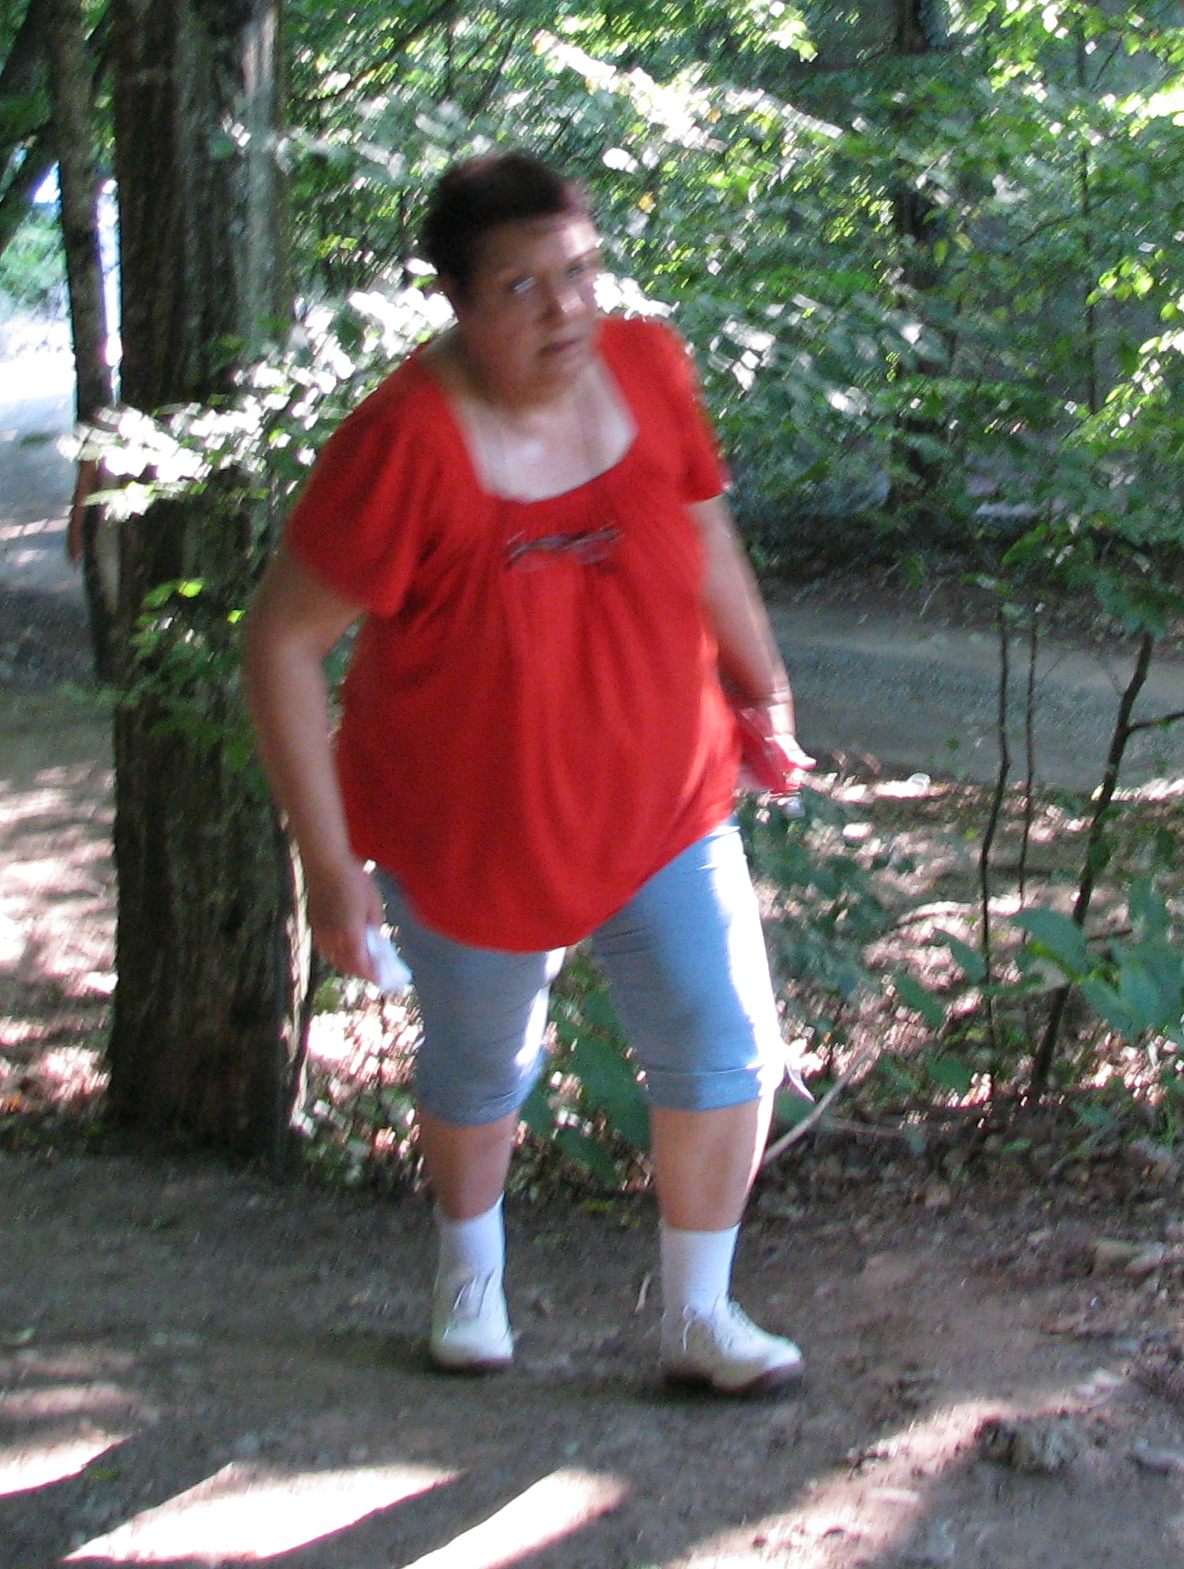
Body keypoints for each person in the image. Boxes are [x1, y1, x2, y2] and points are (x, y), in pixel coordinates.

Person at [241, 152, 808, 1393]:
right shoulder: (403, 445)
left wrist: (759, 685)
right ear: (455, 300)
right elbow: (279, 645)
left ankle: (701, 1317)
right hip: (470, 822)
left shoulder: (650, 367)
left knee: (724, 1042)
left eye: (581, 271)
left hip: (665, 792)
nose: (565, 308)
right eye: (521, 287)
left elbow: (702, 523)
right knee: (481, 1063)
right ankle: (470, 1272)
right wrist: (328, 867)